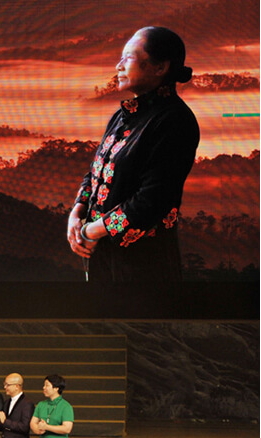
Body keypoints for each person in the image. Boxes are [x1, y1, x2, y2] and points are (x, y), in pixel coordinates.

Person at [67, 26, 199, 281]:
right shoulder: (122, 116)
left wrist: (90, 231)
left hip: (145, 267)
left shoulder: (175, 120)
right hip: (102, 260)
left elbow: (152, 200)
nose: (118, 66)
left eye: (127, 58)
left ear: (160, 68)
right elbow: (96, 171)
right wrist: (76, 213)